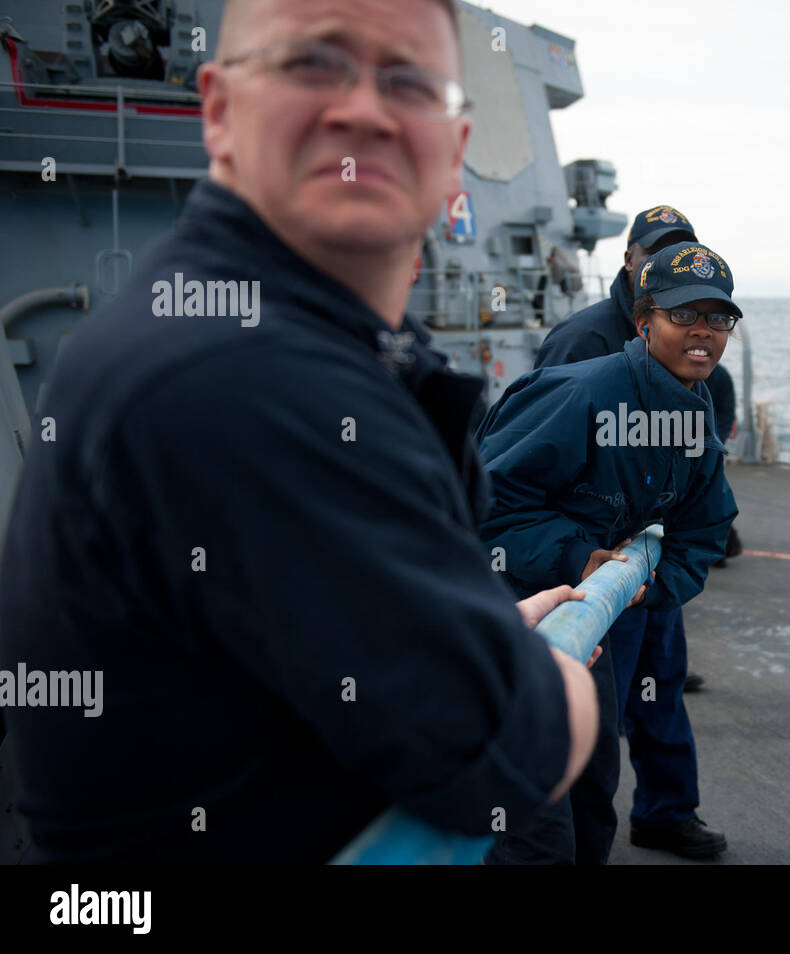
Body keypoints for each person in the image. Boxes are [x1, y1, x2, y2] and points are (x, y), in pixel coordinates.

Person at [0, 0, 598, 863]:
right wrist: (556, 682)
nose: (363, 109)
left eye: (410, 81)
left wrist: (465, 627)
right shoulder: (238, 373)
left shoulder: (277, 334)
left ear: (454, 150)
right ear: (218, 109)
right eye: (311, 65)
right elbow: (499, 749)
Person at [478, 240, 740, 862]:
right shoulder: (583, 393)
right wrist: (578, 556)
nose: (703, 332)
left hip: (585, 614)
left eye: (718, 317)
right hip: (508, 607)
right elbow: (483, 500)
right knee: (532, 814)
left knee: (594, 781)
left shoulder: (693, 413)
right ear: (644, 320)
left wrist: (654, 584)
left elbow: (703, 530)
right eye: (684, 316)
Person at [704, 363, 744, 567]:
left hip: (710, 449)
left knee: (713, 501)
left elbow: (726, 414)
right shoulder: (721, 376)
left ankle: (722, 548)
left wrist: (713, 444)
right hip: (687, 446)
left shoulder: (720, 377)